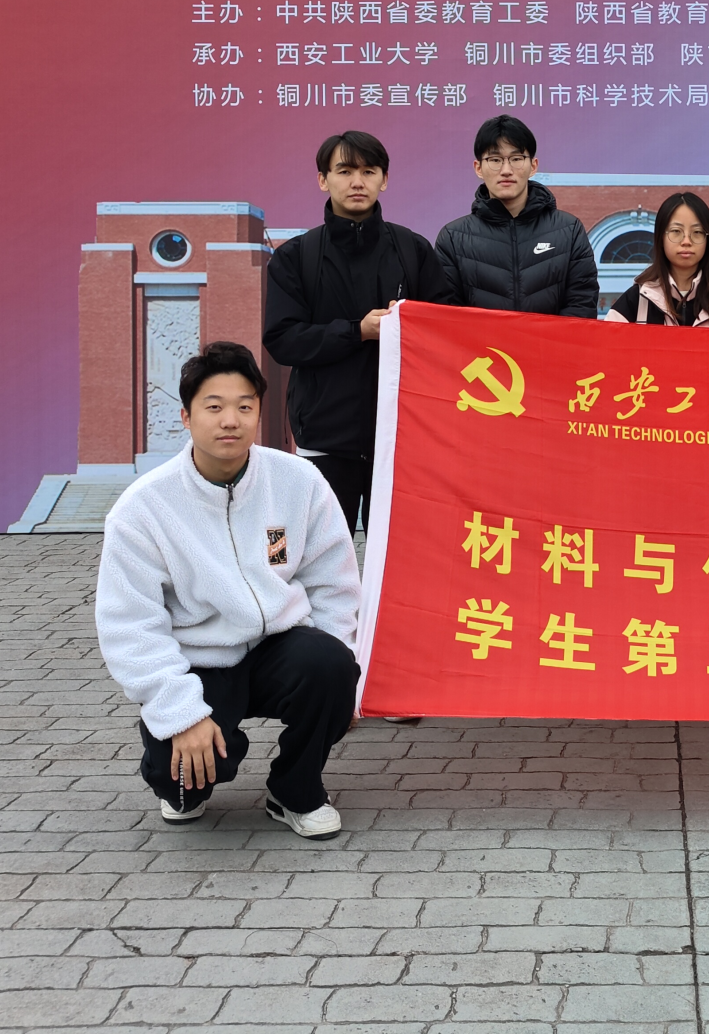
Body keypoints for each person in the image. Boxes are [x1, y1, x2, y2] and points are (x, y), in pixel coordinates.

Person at [95, 342, 360, 839]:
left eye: (244, 406)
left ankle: (296, 791)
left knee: (331, 665)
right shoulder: (143, 508)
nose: (230, 421)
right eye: (214, 407)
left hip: (278, 648)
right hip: (198, 662)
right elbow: (130, 626)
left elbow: (334, 582)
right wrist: (179, 713)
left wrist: (340, 687)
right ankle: (185, 754)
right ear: (186, 416)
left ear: (259, 412)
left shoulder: (298, 480)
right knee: (182, 788)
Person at [263, 130, 450, 534]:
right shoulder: (296, 257)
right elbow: (283, 339)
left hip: (401, 436)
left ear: (384, 179)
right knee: (322, 555)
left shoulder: (413, 250)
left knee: (402, 553)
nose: (357, 182)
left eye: (368, 171)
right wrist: (357, 332)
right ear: (323, 179)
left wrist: (413, 324)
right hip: (324, 438)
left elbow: (446, 330)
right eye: (345, 171)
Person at [435, 113, 599, 316]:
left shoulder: (569, 230)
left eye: (516, 159)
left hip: (551, 338)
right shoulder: (453, 238)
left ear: (533, 166)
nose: (506, 170)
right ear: (478, 168)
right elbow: (447, 317)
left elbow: (581, 307)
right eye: (495, 160)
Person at [605, 192, 709, 326]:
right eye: (676, 231)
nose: (686, 241)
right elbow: (606, 345)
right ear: (661, 238)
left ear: (708, 240)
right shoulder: (636, 302)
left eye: (697, 232)